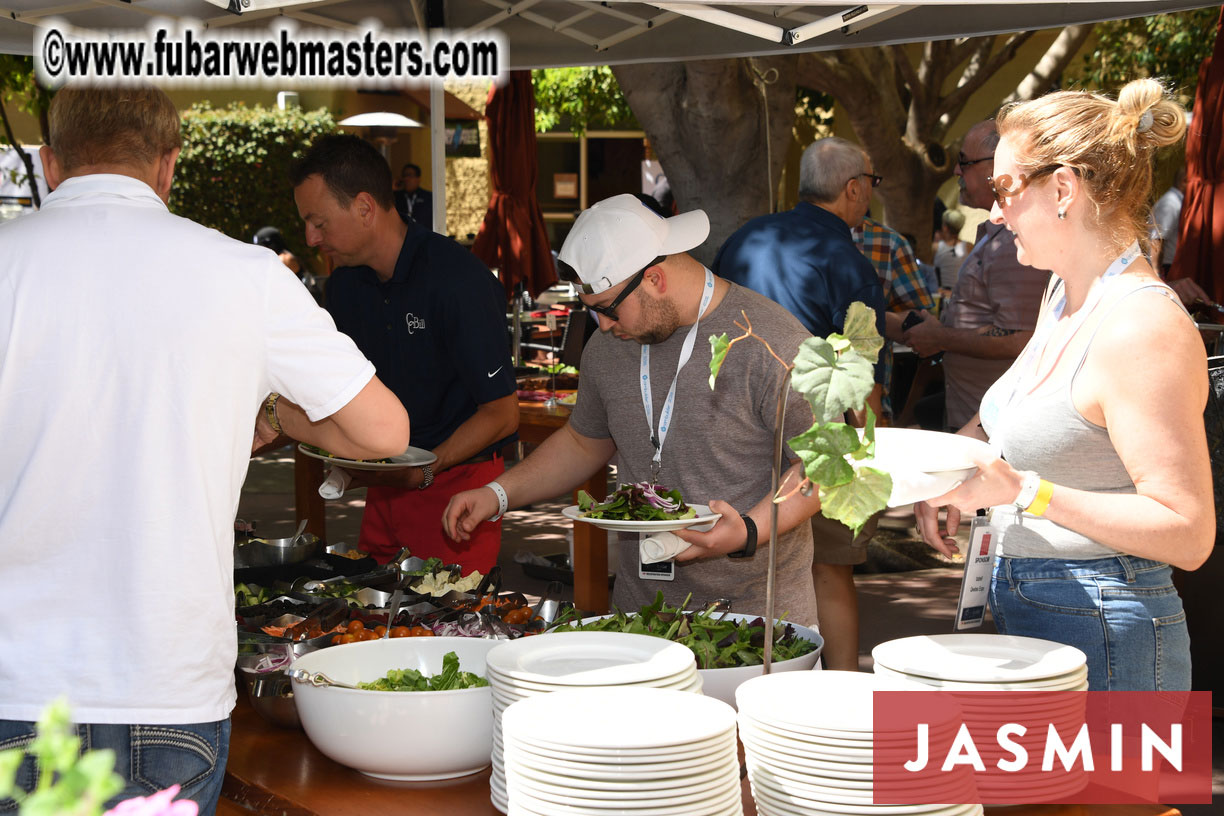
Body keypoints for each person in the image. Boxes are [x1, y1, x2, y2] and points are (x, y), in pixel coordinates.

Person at [0, 86, 411, 813]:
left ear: (51, 161)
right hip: (168, 682)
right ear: (168, 164)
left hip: (16, 679)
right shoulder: (244, 275)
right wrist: (273, 411)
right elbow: (386, 433)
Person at [914, 79, 1214, 691]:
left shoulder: (1140, 324)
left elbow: (1188, 531)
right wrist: (941, 474)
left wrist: (1024, 491)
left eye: (1003, 189)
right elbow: (1008, 415)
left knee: (1108, 793)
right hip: (1047, 611)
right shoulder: (1062, 294)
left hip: (1109, 627)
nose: (993, 211)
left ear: (1061, 188)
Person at [444, 194, 822, 627]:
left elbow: (828, 464)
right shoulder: (609, 347)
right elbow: (583, 441)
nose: (602, 326)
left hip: (758, 625)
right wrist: (498, 493)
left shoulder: (772, 342)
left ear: (655, 278)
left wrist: (749, 531)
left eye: (607, 309)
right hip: (640, 616)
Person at [291, 134, 518, 574]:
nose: (310, 237)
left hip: (459, 488)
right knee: (372, 617)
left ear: (364, 207)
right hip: (385, 484)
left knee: (452, 627)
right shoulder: (345, 285)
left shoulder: (458, 280)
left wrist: (426, 471)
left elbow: (502, 414)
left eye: (318, 221)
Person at [714, 137, 887, 671]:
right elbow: (861, 376)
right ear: (853, 189)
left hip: (731, 427)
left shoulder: (744, 237)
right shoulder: (846, 259)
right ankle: (839, 700)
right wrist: (872, 451)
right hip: (816, 435)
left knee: (738, 565)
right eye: (871, 185)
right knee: (830, 572)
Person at [903, 120, 1051, 430]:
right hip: (976, 423)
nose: (956, 171)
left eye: (964, 162)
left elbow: (1020, 338)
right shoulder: (995, 235)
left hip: (995, 437)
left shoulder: (1014, 243)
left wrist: (940, 337)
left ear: (998, 166)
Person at [852, 217, 936, 410]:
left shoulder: (888, 242)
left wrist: (866, 319)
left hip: (868, 393)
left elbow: (918, 324)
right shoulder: (780, 236)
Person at [1149, 165, 1186, 273]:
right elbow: (1157, 238)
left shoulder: (1178, 201)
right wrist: (1156, 270)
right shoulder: (1171, 203)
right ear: (1184, 181)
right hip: (1166, 266)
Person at [932, 209, 968, 292]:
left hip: (942, 293)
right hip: (962, 293)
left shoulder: (935, 247)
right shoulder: (969, 247)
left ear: (945, 228)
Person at [394, 161, 432, 228]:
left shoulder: (428, 197)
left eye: (410, 175)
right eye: (404, 176)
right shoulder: (396, 197)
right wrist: (393, 189)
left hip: (423, 236)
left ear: (418, 179)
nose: (406, 179)